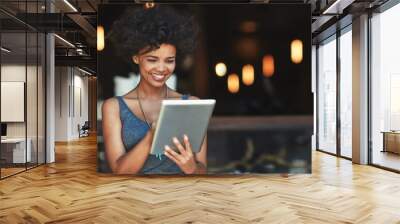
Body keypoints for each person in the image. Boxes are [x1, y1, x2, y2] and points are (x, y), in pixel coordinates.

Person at [102, 5, 207, 175]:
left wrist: (192, 168)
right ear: (136, 57)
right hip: (134, 197)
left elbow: (202, 168)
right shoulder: (113, 107)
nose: (161, 68)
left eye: (169, 60)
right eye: (152, 59)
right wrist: (152, 136)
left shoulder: (192, 104)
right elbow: (119, 172)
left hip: (179, 195)